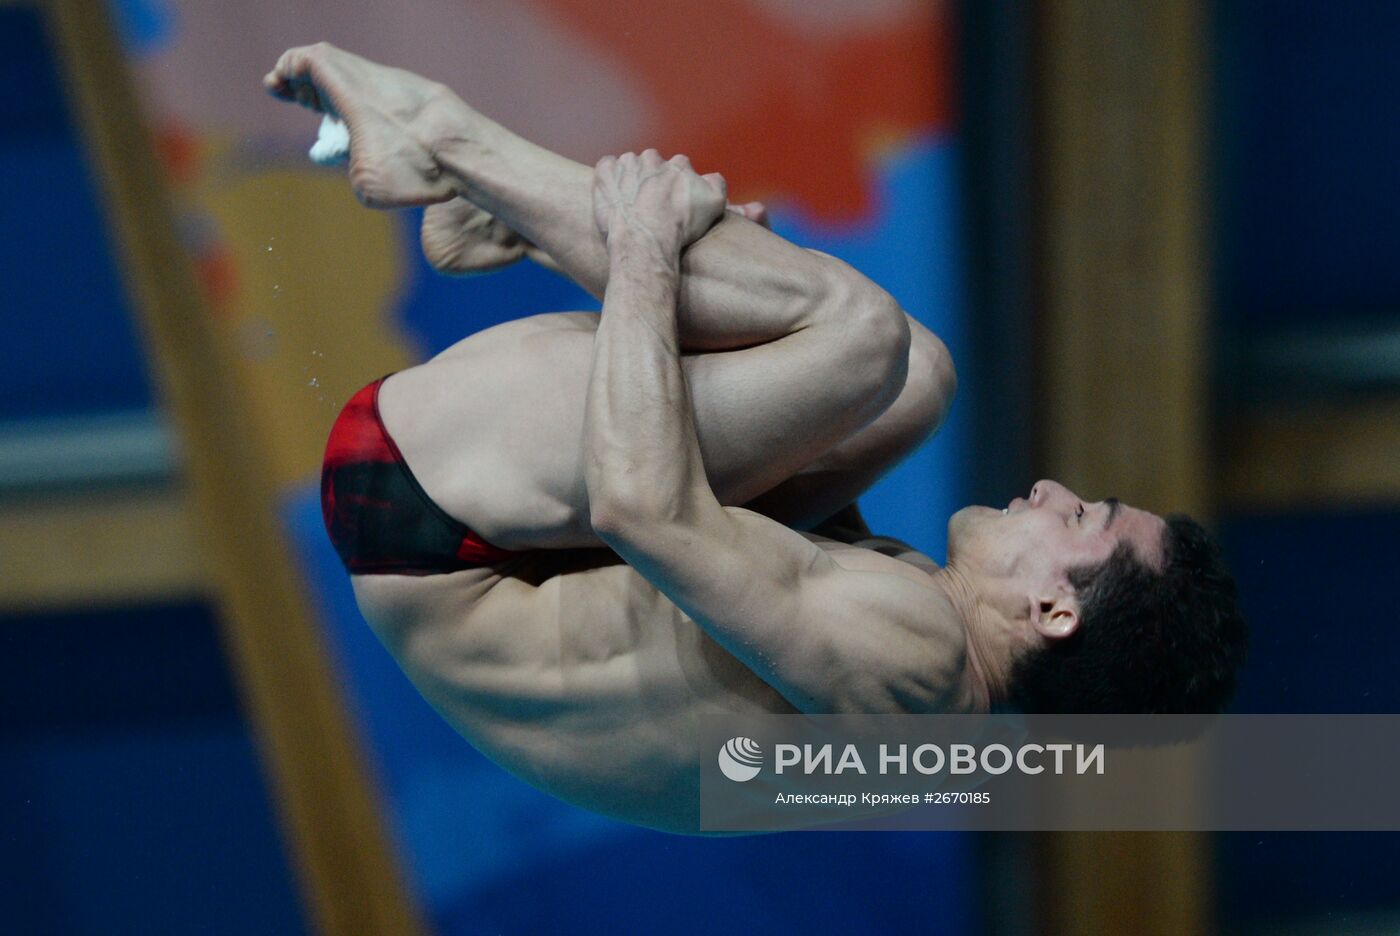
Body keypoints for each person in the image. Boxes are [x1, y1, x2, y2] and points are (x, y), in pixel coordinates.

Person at [269, 44, 1247, 833]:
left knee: (861, 343)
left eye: (1082, 517)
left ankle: (437, 139)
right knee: (907, 378)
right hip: (465, 537)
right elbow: (735, 567)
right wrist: (732, 303)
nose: (1048, 487)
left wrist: (649, 260)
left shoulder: (919, 661)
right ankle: (510, 225)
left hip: (437, 516)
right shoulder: (927, 719)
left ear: (1052, 611)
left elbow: (642, 510)